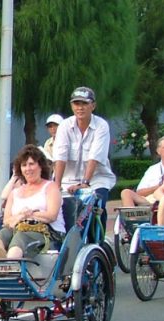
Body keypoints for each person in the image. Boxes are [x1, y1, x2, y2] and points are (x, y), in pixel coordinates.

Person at [0, 145, 64, 259]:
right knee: (4, 233)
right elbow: (7, 220)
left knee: (20, 236)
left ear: (40, 166)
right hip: (18, 227)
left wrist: (29, 214)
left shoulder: (50, 187)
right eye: (24, 165)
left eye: (31, 164)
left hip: (47, 232)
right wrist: (21, 216)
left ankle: (9, 263)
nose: (28, 169)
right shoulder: (15, 192)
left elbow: (51, 215)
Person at [52, 86, 117, 227]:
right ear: (71, 106)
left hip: (97, 179)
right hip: (67, 180)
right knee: (57, 209)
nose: (80, 108)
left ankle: (98, 242)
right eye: (76, 104)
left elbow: (95, 156)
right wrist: (57, 185)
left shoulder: (101, 125)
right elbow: (60, 155)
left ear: (93, 105)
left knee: (96, 206)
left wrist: (85, 183)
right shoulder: (64, 125)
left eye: (84, 104)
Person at [120, 137, 164, 206]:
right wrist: (159, 187)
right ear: (158, 151)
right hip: (152, 200)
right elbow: (139, 192)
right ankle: (131, 216)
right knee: (125, 193)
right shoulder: (152, 169)